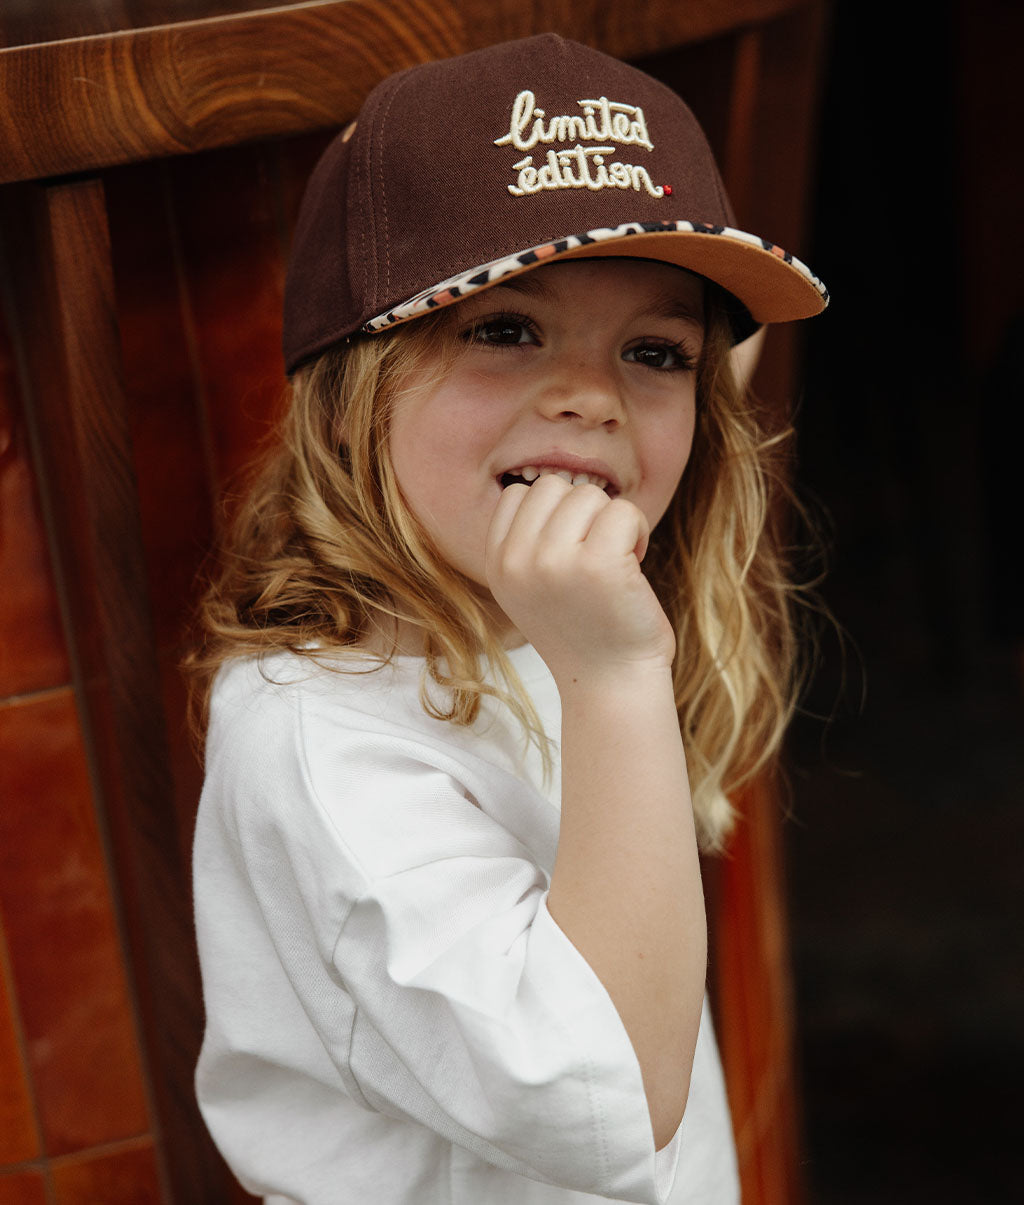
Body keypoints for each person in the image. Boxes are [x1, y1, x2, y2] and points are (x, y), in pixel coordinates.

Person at [188, 33, 828, 1205]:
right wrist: (619, 676)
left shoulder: (553, 598)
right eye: (503, 327)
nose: (589, 395)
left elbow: (715, 377)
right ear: (347, 395)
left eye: (651, 350)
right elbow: (612, 1112)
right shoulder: (322, 741)